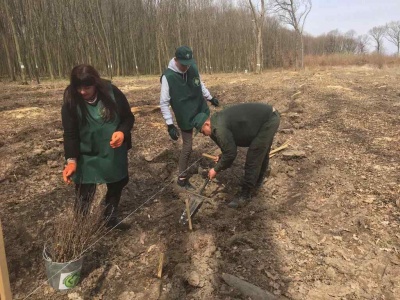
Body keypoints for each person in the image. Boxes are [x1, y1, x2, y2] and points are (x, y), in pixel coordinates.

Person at [61, 64, 134, 230]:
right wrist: (71, 161)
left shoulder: (112, 93)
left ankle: (110, 218)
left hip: (113, 151)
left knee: (117, 183)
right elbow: (70, 133)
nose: (82, 91)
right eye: (78, 87)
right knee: (84, 190)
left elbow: (128, 118)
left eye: (87, 87)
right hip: (87, 153)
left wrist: (122, 133)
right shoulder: (71, 101)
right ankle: (79, 227)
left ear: (96, 83)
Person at [192, 103, 280, 208]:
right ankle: (256, 182)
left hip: (268, 120)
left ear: (206, 124)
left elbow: (231, 154)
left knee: (255, 155)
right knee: (260, 152)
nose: (204, 134)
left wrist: (215, 169)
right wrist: (222, 157)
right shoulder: (216, 122)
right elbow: (228, 148)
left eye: (202, 131)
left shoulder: (219, 128)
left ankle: (245, 194)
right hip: (266, 118)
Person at [160, 45, 220, 190]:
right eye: (183, 65)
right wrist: (170, 125)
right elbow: (164, 102)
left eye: (188, 64)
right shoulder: (168, 77)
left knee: (213, 131)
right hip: (184, 114)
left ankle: (225, 156)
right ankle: (182, 178)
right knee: (188, 147)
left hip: (199, 107)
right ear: (176, 60)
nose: (186, 67)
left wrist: (210, 98)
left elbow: (200, 84)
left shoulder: (192, 67)